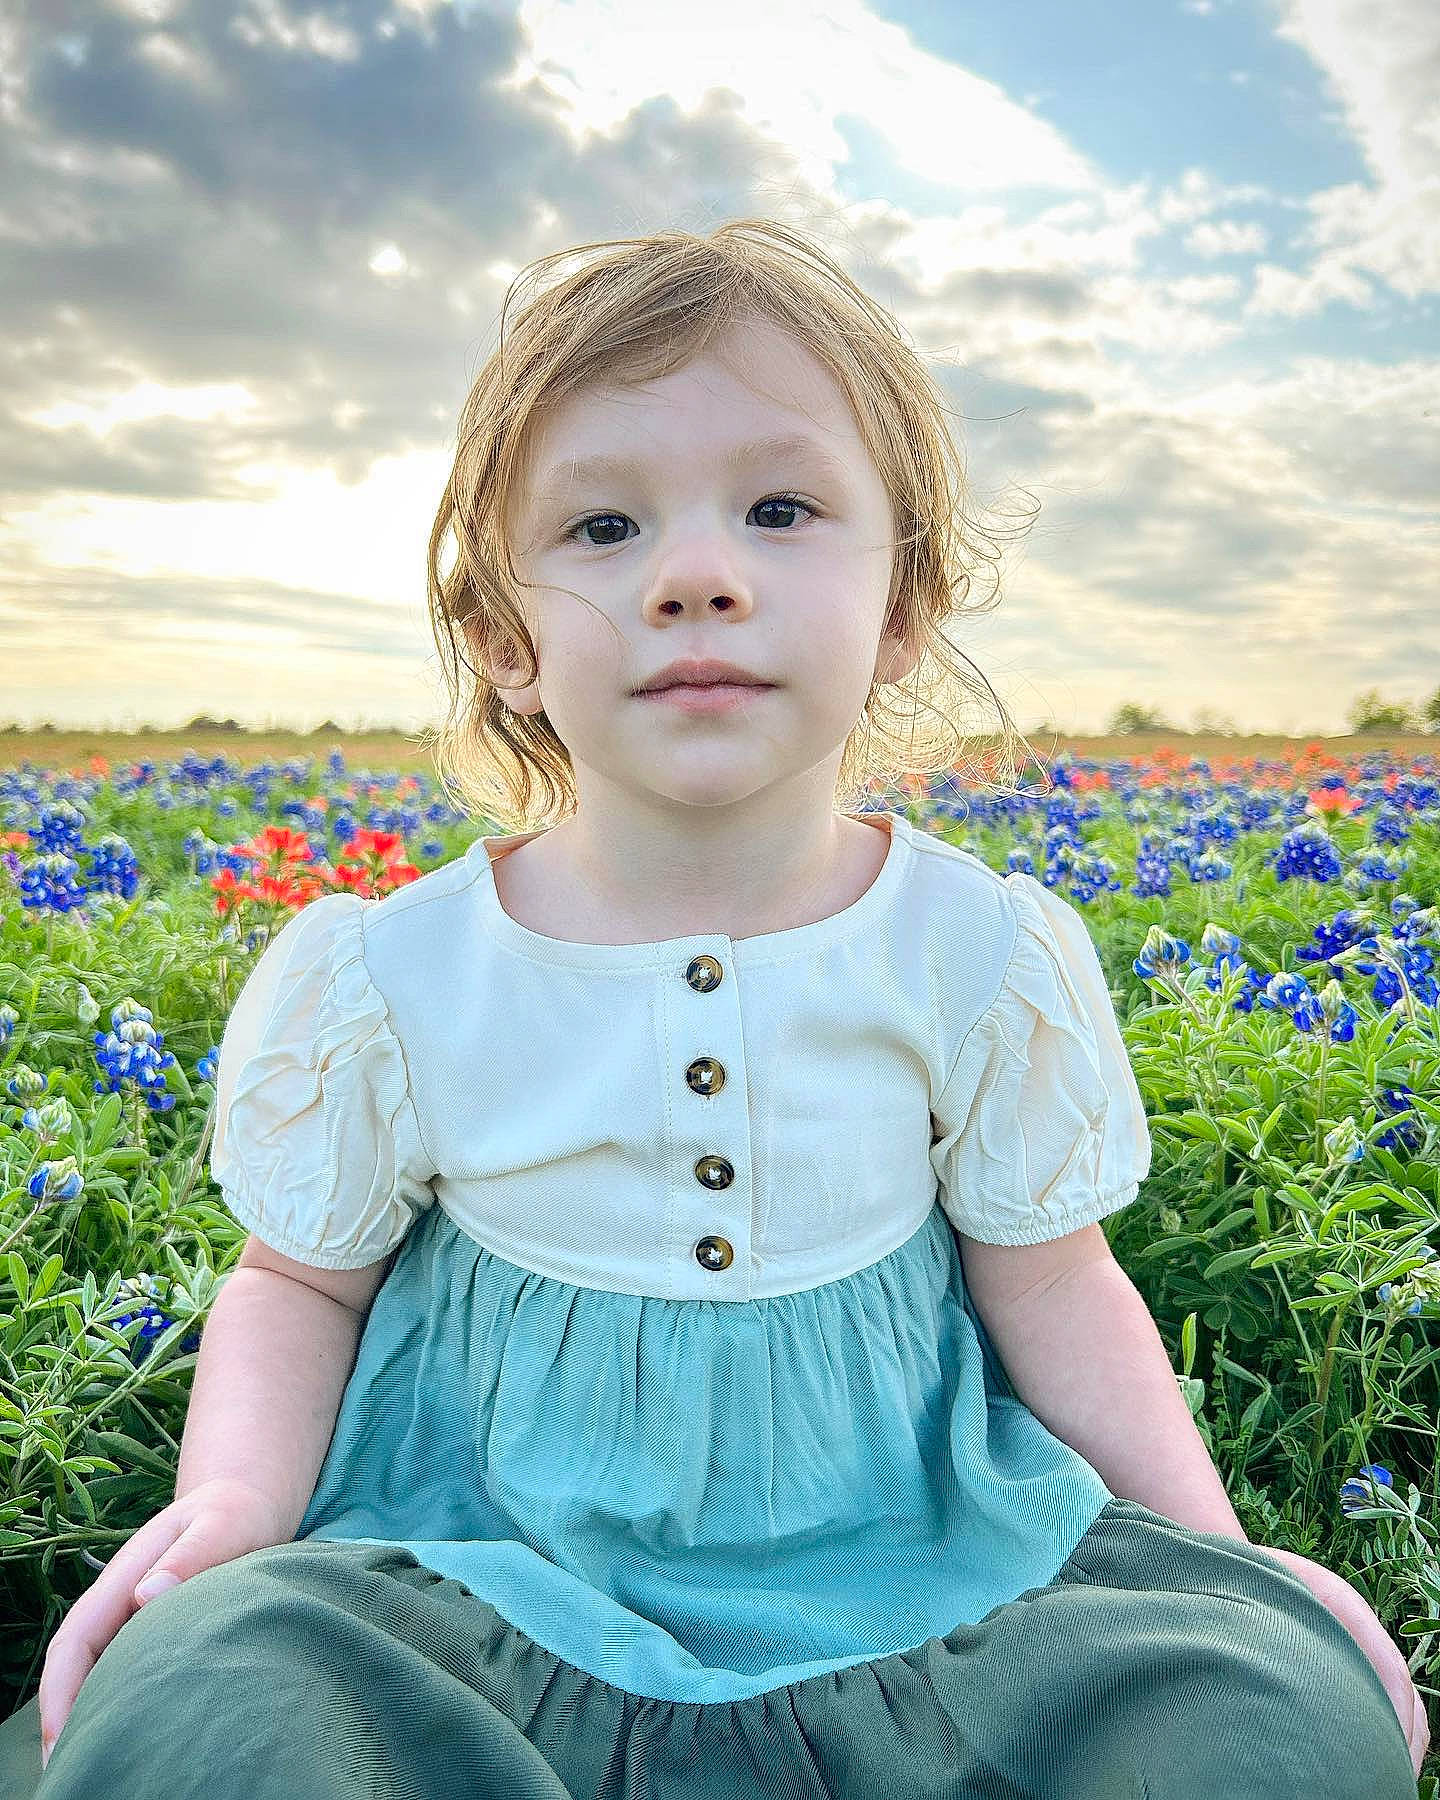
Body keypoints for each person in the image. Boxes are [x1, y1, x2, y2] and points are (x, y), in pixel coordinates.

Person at [1, 220, 1422, 1798]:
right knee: (212, 1709)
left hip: (934, 1574)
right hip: (471, 1579)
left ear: (902, 611)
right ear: (505, 642)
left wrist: (1222, 1563)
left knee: (1262, 1720)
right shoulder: (395, 974)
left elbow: (1055, 1277)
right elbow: (298, 1288)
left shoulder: (976, 948)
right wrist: (233, 1512)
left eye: (780, 509)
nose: (695, 576)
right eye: (604, 525)